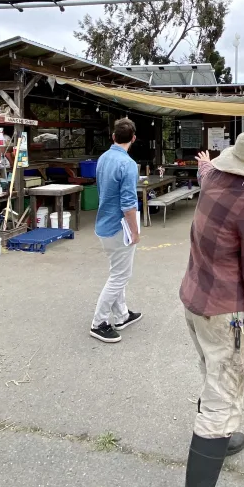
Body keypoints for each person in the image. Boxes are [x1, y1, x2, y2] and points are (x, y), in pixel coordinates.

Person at [179, 130, 244, 487]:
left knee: (212, 370)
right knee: (223, 391)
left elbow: (205, 172)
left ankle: (222, 438)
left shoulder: (212, 180)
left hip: (193, 298)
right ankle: (200, 481)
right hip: (222, 309)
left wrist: (205, 163)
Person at [90, 117, 142, 344]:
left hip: (103, 223)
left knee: (117, 272)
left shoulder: (103, 158)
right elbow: (128, 204)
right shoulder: (128, 164)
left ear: (113, 137)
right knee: (120, 276)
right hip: (119, 226)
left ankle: (122, 315)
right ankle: (98, 322)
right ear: (133, 138)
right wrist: (135, 231)